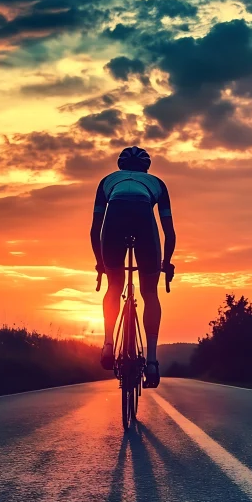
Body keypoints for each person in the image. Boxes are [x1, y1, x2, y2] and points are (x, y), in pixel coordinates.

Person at [90, 146, 176, 388]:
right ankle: (151, 362)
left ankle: (108, 345)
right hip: (144, 218)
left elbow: (95, 230)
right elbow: (169, 232)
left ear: (120, 166)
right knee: (149, 292)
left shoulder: (107, 181)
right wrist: (166, 262)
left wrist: (100, 262)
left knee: (114, 286)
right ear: (146, 167)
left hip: (114, 217)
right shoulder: (156, 183)